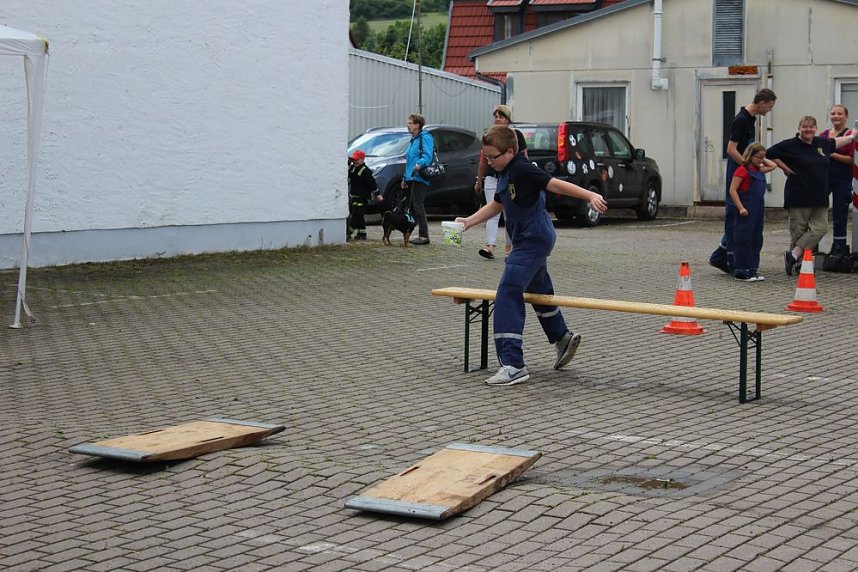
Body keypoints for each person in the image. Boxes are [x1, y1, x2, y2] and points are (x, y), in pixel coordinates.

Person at [455, 125, 608, 386]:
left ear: (510, 151)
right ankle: (562, 337)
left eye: (493, 157)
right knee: (538, 289)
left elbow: (555, 184)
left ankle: (513, 364)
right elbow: (497, 204)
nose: (489, 162)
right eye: (486, 157)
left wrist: (590, 194)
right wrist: (468, 222)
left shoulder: (522, 168)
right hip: (529, 240)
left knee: (508, 291)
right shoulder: (503, 171)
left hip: (533, 240)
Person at [766, 116, 858, 275]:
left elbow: (837, 142)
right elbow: (769, 153)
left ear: (816, 129)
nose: (808, 130)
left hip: (819, 196)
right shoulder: (790, 145)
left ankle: (793, 255)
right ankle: (800, 265)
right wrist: (784, 168)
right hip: (798, 195)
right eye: (805, 127)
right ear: (799, 128)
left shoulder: (822, 143)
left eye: (811, 127)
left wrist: (852, 136)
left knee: (821, 228)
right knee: (799, 232)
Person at [709, 88, 778, 274]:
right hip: (738, 168)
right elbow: (731, 149)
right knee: (736, 215)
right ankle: (731, 258)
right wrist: (748, 166)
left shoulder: (750, 119)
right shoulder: (741, 120)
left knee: (744, 218)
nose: (769, 110)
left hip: (746, 166)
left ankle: (722, 256)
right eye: (769, 106)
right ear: (762, 102)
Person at [474, 104, 528, 260]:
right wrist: (479, 180)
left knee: (509, 213)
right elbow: (483, 161)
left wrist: (523, 177)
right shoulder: (489, 135)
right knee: (492, 212)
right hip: (492, 178)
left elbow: (524, 157)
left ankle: (509, 248)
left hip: (510, 177)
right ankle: (490, 246)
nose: (497, 119)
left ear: (508, 119)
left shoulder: (516, 135)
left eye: (501, 116)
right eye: (496, 116)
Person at [728, 143, 776, 282]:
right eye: (758, 157)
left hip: (758, 209)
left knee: (756, 239)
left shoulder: (758, 170)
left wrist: (762, 158)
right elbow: (733, 190)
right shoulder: (742, 170)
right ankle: (741, 270)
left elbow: (773, 166)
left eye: (763, 157)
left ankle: (752, 269)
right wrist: (740, 207)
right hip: (746, 209)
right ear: (750, 155)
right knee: (743, 239)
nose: (761, 160)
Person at [819, 104, 855, 256]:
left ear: (846, 116)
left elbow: (852, 160)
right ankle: (813, 246)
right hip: (823, 178)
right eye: (833, 113)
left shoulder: (851, 135)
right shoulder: (824, 135)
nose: (836, 116)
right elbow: (817, 153)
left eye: (839, 114)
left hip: (843, 179)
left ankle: (839, 247)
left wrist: (831, 153)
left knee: (840, 214)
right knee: (817, 210)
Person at [402, 113, 433, 245]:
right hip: (410, 177)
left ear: (417, 125)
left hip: (419, 177)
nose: (407, 126)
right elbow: (409, 161)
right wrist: (404, 178)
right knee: (412, 207)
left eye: (410, 123)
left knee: (418, 206)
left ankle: (424, 236)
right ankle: (409, 232)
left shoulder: (425, 138)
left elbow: (428, 155)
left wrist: (419, 165)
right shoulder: (413, 140)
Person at [347, 150, 381, 241]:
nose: (355, 162)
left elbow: (372, 183)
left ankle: (350, 231)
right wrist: (347, 162)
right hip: (355, 196)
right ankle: (362, 233)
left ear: (362, 159)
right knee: (359, 215)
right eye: (353, 160)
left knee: (357, 215)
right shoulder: (353, 168)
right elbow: (347, 173)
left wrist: (377, 194)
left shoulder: (366, 171)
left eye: (357, 160)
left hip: (363, 197)